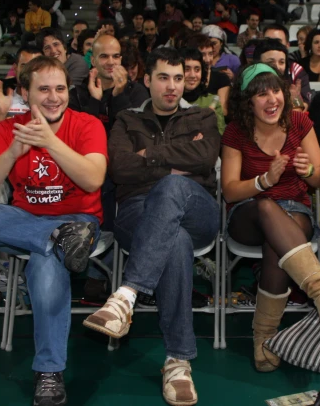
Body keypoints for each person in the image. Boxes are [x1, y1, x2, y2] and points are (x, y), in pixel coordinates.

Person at [0, 55, 107, 406]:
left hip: (79, 222)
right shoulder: (8, 129)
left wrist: (50, 142)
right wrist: (12, 152)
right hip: (27, 224)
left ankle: (49, 371)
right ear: (24, 93)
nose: (54, 97)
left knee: (45, 266)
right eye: (44, 89)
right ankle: (52, 237)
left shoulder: (87, 124)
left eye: (60, 88)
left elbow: (93, 178)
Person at [82, 48, 219, 406]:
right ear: (147, 80)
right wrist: (178, 156)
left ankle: (126, 295)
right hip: (137, 211)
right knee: (174, 242)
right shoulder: (127, 120)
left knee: (172, 188)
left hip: (196, 205)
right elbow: (120, 170)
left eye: (178, 78)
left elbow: (205, 160)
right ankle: (178, 361)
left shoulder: (202, 115)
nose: (172, 86)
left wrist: (151, 157)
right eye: (163, 77)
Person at [221, 63, 320, 373]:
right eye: (261, 94)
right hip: (248, 211)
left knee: (276, 245)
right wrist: (265, 180)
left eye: (275, 90)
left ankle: (263, 339)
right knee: (266, 207)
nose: (271, 99)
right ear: (247, 101)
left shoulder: (300, 122)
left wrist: (307, 172)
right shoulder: (236, 130)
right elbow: (230, 191)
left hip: (295, 211)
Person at [68, 34, 149, 133]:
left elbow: (132, 133)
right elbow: (79, 134)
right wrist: (94, 101)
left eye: (115, 56)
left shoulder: (136, 91)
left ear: (120, 59)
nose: (111, 62)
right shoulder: (77, 94)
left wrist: (119, 95)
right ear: (93, 60)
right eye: (104, 56)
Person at [0, 44, 40, 143]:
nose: (29, 71)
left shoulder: (51, 102)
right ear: (15, 69)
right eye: (25, 66)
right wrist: (1, 113)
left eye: (36, 67)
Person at [181, 47, 226, 133]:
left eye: (197, 69)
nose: (193, 75)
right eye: (187, 69)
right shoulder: (171, 99)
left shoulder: (211, 101)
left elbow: (220, 136)